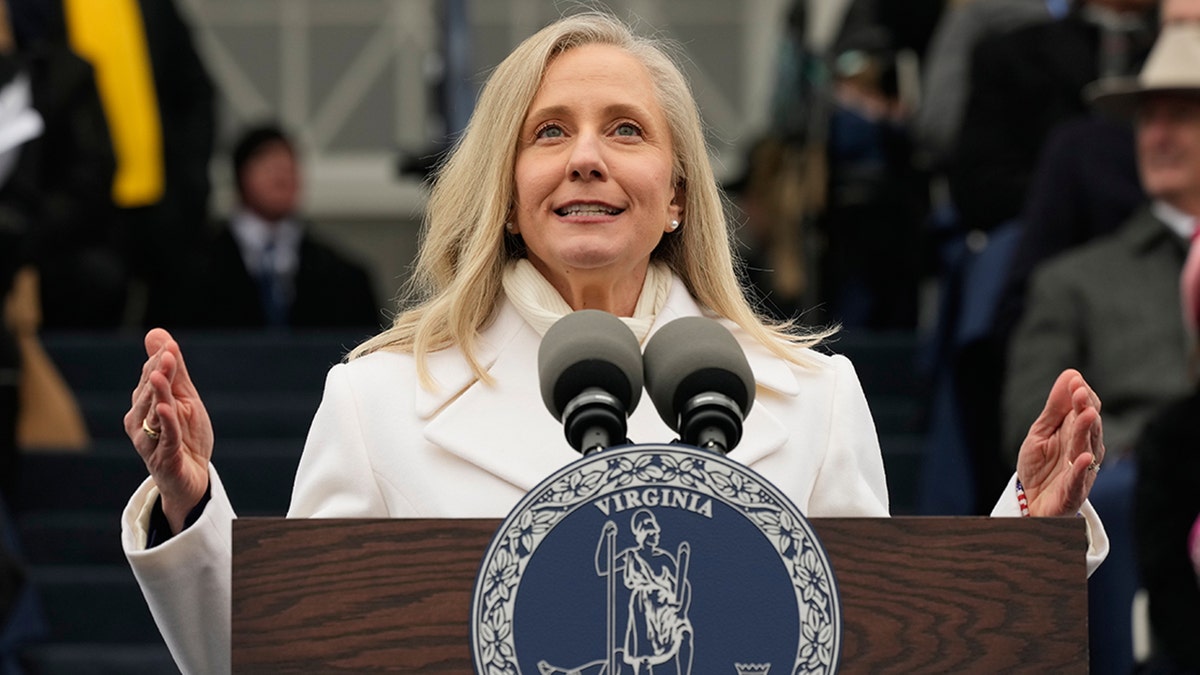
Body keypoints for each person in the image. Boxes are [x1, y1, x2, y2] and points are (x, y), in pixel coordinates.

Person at [120, 13, 1109, 674]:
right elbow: (282, 657)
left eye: (626, 130)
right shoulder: (379, 401)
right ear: (506, 196)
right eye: (549, 133)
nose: (587, 155)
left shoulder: (812, 395)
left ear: (677, 196)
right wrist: (193, 504)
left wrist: (1027, 534)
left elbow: (881, 649)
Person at [171, 124, 381, 330]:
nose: (281, 175)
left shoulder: (345, 277)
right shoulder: (190, 272)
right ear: (240, 175)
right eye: (268, 165)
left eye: (288, 167)